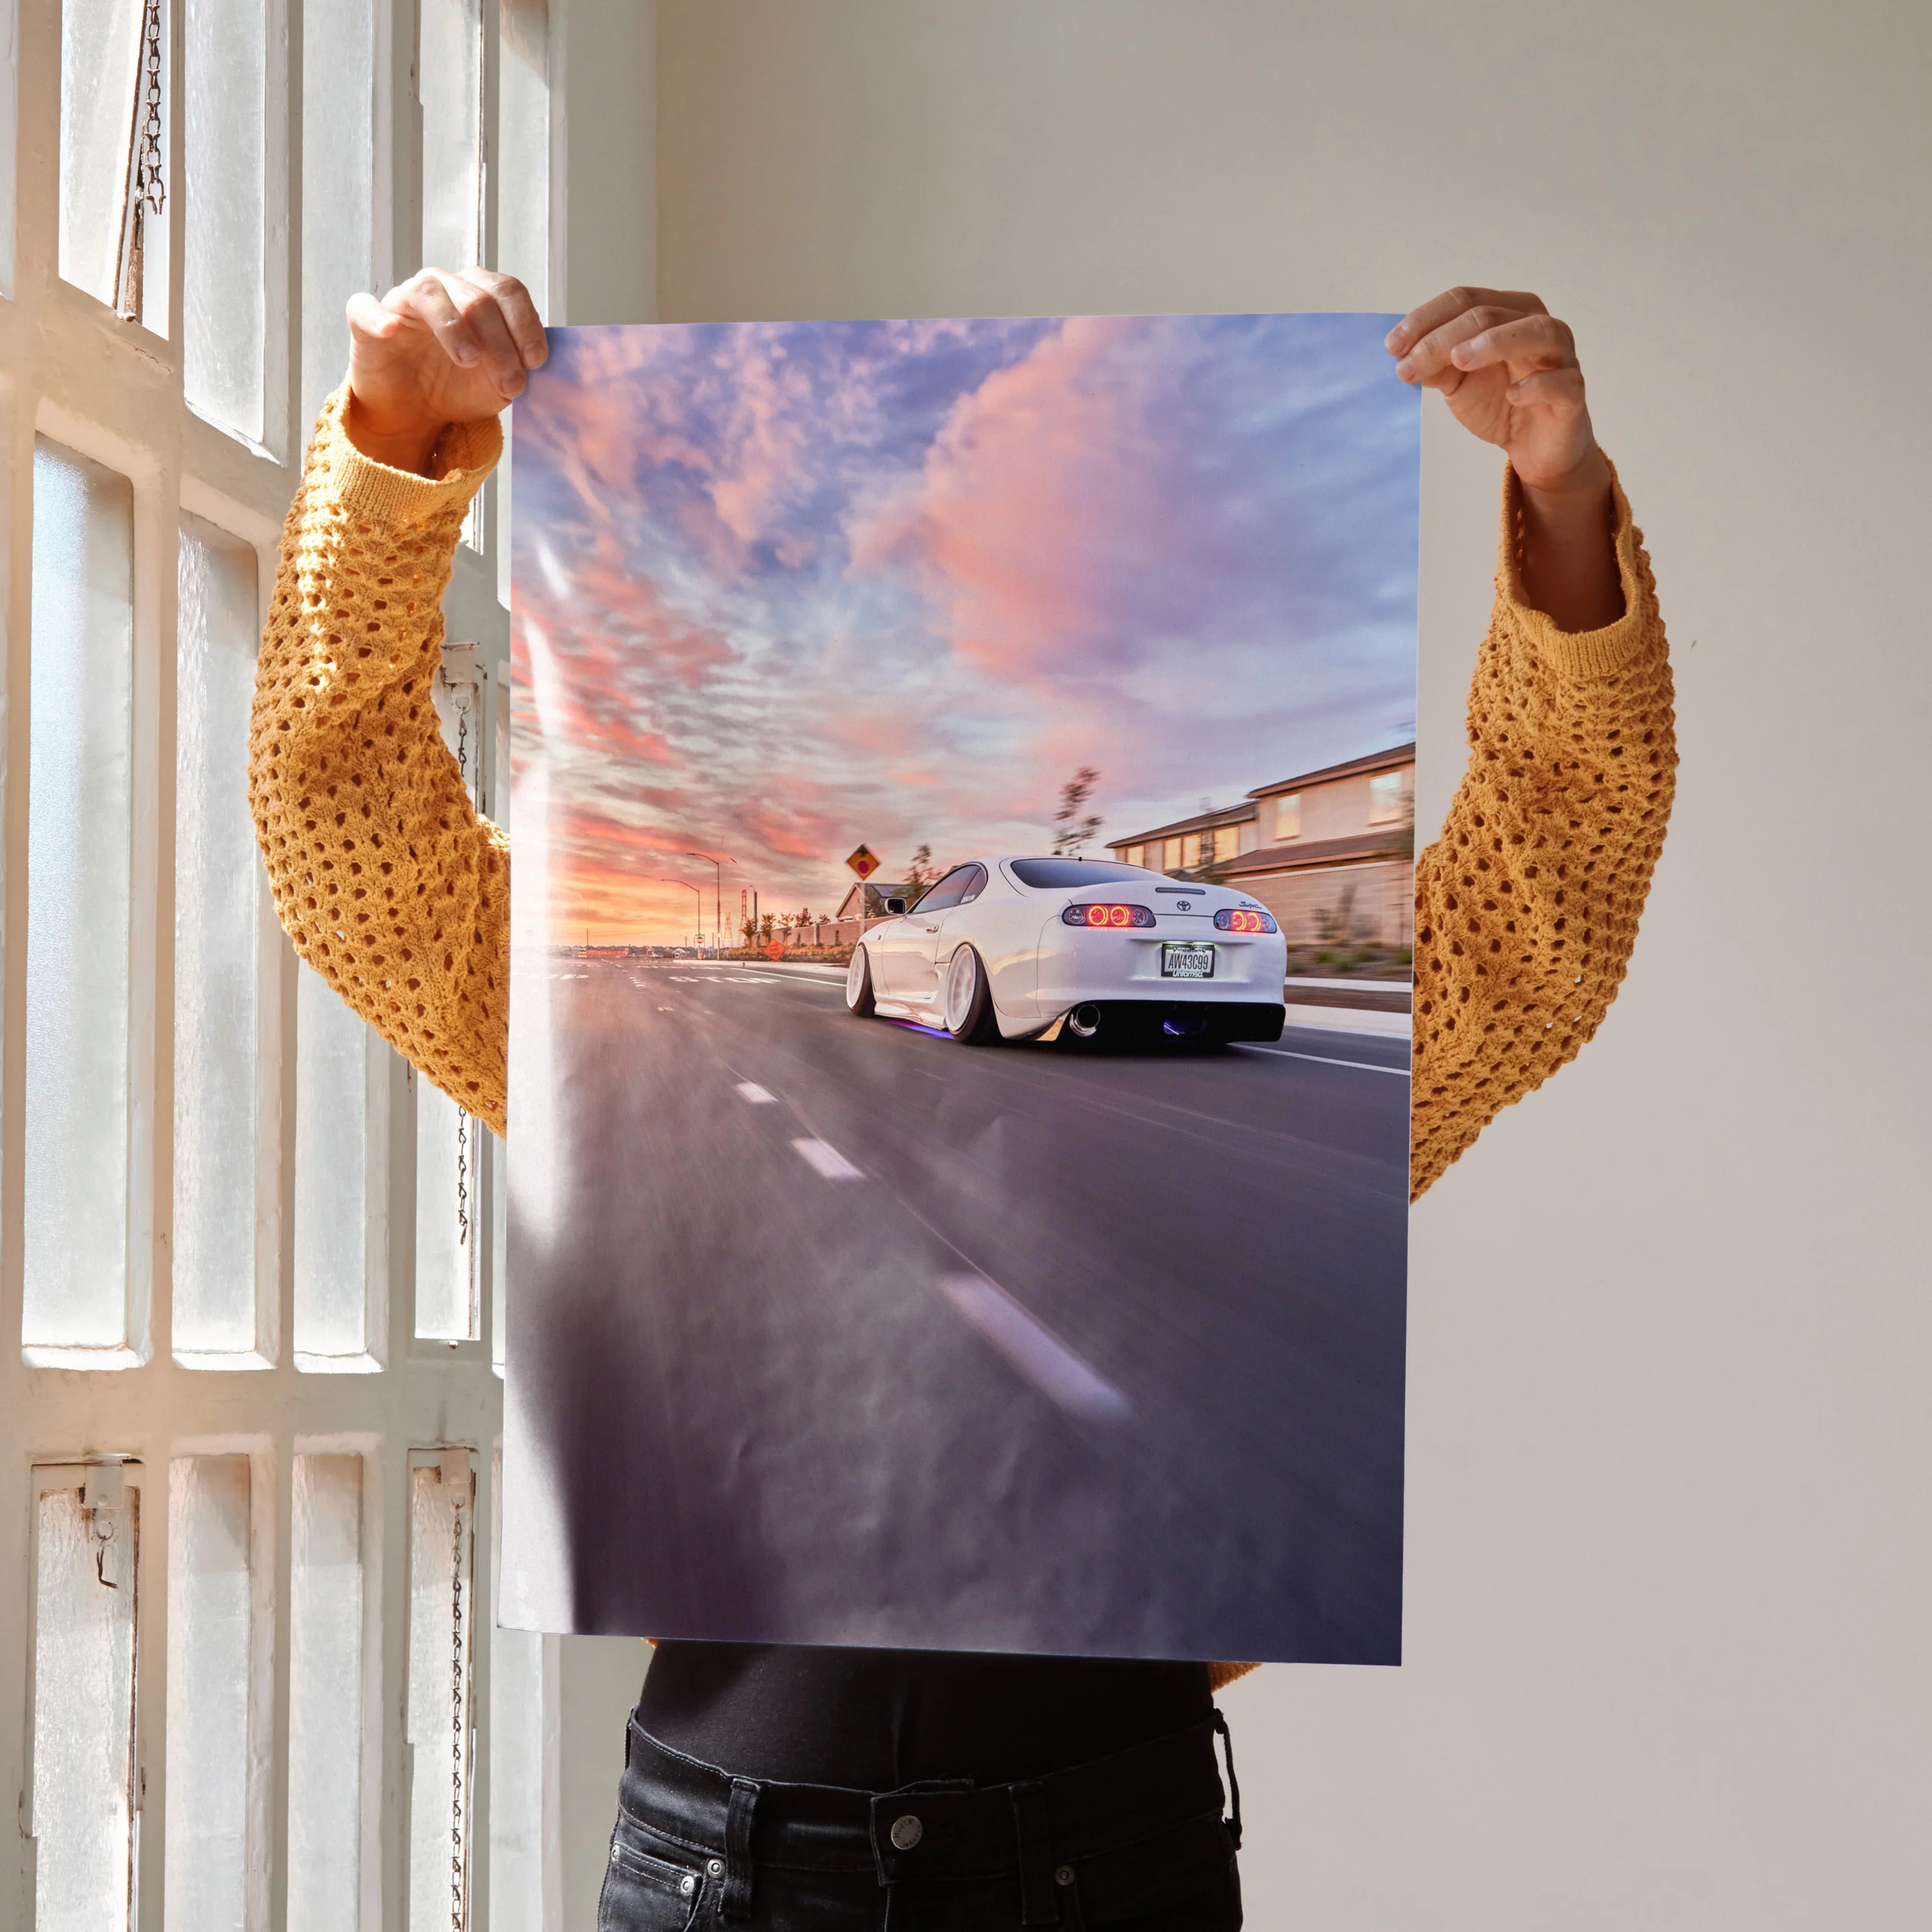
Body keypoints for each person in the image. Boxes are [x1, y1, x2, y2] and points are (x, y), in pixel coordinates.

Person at [250, 270, 1675, 1929]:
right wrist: (392, 445)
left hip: (1104, 1850)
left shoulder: (1241, 1075)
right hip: (732, 1861)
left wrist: (1562, 498)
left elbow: (1542, 915)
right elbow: (346, 841)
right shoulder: (598, 1035)